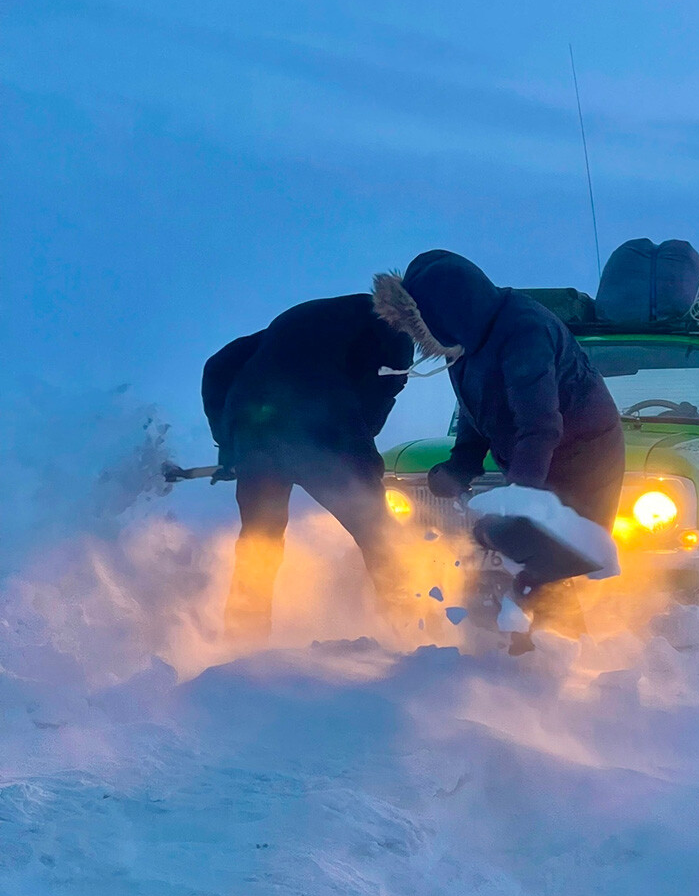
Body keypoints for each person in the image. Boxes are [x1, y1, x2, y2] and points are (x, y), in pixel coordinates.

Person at [202, 294, 413, 640]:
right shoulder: (395, 330)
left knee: (260, 542)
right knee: (379, 533)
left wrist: (229, 449)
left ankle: (243, 640)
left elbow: (220, 365)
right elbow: (371, 393)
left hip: (255, 435)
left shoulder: (307, 321)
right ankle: (411, 630)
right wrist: (365, 462)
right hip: (317, 431)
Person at [373, 250, 624, 533]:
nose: (423, 339)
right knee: (510, 557)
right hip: (531, 460)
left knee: (560, 558)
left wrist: (518, 499)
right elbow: (477, 408)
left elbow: (540, 426)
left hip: (582, 461)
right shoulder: (463, 340)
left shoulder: (525, 332)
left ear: (447, 312)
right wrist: (463, 464)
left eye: (423, 327)